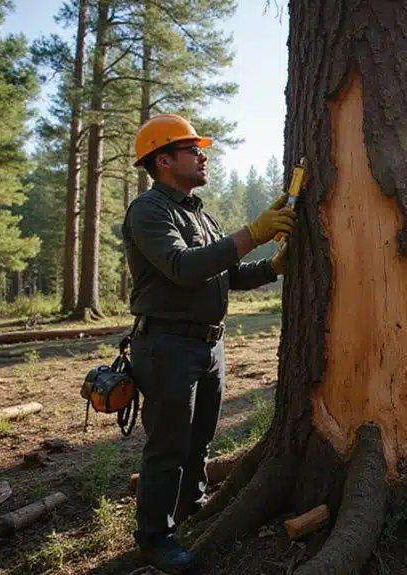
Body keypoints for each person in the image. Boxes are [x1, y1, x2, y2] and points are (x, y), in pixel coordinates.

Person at [121, 113, 295, 574]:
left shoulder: (199, 212)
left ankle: (191, 510)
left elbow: (229, 274)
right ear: (163, 160)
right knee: (167, 447)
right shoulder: (148, 211)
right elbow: (182, 267)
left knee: (199, 440)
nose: (202, 156)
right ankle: (155, 539)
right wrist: (253, 232)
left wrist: (274, 266)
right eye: (192, 149)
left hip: (206, 346)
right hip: (166, 346)